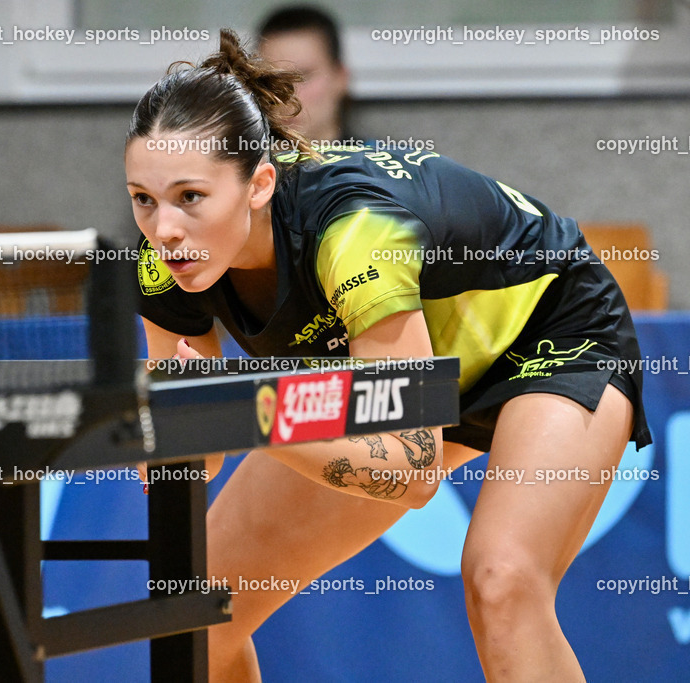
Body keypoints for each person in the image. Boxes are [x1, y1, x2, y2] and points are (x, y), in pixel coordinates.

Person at [126, 29, 651, 682]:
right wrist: (171, 435)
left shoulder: (355, 234)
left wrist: (251, 410)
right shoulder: (162, 259)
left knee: (504, 579)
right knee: (197, 607)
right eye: (143, 199)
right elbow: (193, 453)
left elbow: (413, 465)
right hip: (402, 366)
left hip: (549, 333)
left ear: (258, 184)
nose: (165, 229)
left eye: (190, 197)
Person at [257, 6, 350, 145]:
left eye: (302, 78)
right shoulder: (235, 156)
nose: (287, 97)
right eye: (272, 80)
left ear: (340, 78)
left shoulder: (376, 157)